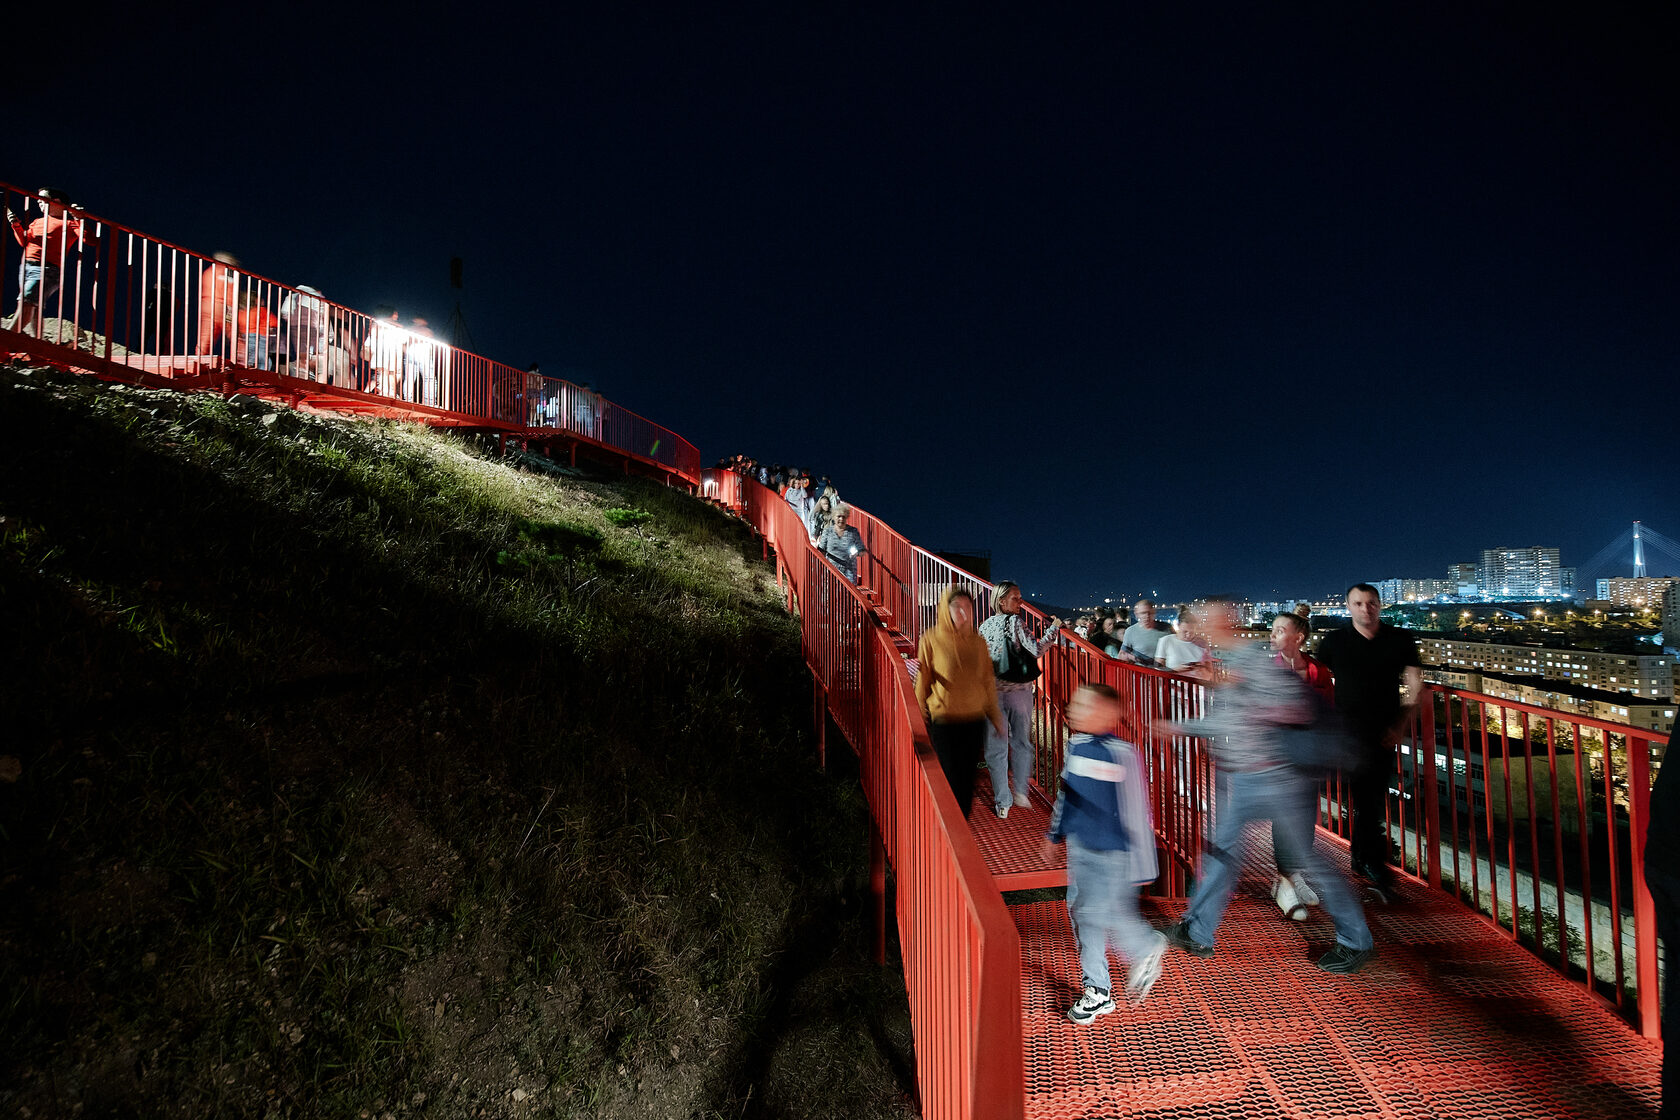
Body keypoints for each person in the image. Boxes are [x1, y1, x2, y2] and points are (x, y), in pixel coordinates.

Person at [1159, 597, 1375, 973]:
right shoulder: (1235, 661)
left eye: (1208, 619)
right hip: (1246, 776)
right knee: (1221, 852)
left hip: (1275, 779)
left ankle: (1356, 941)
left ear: (1225, 621)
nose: (1203, 625)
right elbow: (1238, 719)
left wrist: (1183, 726)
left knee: (1310, 860)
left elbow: (1284, 709)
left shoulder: (1252, 661)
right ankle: (1196, 931)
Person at [1045, 683, 1166, 1022]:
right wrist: (1054, 836)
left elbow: (1136, 811)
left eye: (1086, 706)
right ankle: (1097, 990)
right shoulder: (1076, 746)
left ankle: (1144, 947)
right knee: (1082, 914)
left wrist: (1142, 866)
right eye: (1076, 704)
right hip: (1081, 849)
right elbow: (1067, 795)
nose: (1074, 709)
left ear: (1108, 715)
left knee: (1100, 911)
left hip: (1114, 854)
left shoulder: (1121, 753)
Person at [1313, 583, 1423, 893]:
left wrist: (1401, 724)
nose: (1366, 608)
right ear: (1348, 606)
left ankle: (1362, 858)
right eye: (1358, 603)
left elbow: (1415, 685)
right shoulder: (1334, 641)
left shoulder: (1399, 639)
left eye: (1371, 602)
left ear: (1380, 604)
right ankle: (1373, 864)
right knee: (1367, 796)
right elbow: (1318, 682)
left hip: (1385, 731)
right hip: (1347, 732)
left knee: (1369, 795)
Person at [915, 586, 1006, 820]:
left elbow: (987, 681)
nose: (964, 614)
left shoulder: (977, 642)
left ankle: (961, 825)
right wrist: (918, 717)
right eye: (958, 608)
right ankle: (945, 825)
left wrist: (996, 717)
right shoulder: (931, 639)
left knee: (967, 779)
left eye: (968, 608)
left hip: (974, 721)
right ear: (946, 610)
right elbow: (923, 681)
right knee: (948, 777)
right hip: (945, 721)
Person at [1268, 611, 1335, 920]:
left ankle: (1295, 874)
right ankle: (1284, 881)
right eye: (1272, 630)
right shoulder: (1269, 670)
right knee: (1284, 816)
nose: (1273, 635)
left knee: (1307, 816)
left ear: (1298, 637)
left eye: (1280, 630)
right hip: (1280, 755)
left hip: (1310, 753)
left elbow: (1328, 712)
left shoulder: (1318, 671)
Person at [979, 581, 1060, 819]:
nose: (1021, 603)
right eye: (1016, 598)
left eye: (1021, 598)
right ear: (1002, 601)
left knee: (995, 748)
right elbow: (1036, 649)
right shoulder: (1015, 622)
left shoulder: (984, 626)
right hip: (1019, 693)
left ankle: (1002, 802)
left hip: (992, 693)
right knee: (1022, 741)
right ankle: (1021, 790)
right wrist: (1053, 628)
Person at [6, 188, 81, 338]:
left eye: (42, 199)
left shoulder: (69, 223)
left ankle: (5, 341)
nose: (38, 202)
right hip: (27, 267)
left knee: (27, 303)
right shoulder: (38, 221)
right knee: (34, 307)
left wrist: (79, 218)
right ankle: (38, 346)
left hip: (47, 269)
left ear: (56, 202)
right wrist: (16, 225)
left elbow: (90, 240)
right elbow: (24, 241)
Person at [194, 251, 241, 358]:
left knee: (207, 334)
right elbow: (229, 292)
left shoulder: (209, 271)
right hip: (221, 306)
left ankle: (200, 358)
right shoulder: (226, 273)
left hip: (207, 304)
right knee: (234, 335)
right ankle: (242, 359)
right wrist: (231, 309)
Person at [816, 504, 867, 584]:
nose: (841, 519)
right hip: (831, 570)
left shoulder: (853, 531)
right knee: (831, 594)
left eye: (844, 517)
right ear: (833, 517)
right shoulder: (827, 531)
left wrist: (857, 553)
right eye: (838, 516)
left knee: (848, 595)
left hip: (849, 571)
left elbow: (863, 551)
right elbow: (821, 551)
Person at [1120, 599, 1175, 667]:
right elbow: (1123, 654)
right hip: (1142, 673)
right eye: (1143, 613)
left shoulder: (1167, 628)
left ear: (1154, 612)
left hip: (1165, 673)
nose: (1147, 616)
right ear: (1137, 614)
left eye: (1149, 613)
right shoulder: (1130, 631)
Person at [1155, 605, 1208, 674]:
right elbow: (1157, 670)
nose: (1188, 635)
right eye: (1185, 631)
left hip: (1198, 683)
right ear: (1178, 626)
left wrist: (1202, 670)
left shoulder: (1202, 644)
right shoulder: (1166, 641)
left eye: (1192, 632)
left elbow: (1210, 671)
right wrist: (1176, 670)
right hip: (1174, 683)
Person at [237, 291, 274, 370]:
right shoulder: (261, 311)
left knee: (250, 358)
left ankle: (247, 373)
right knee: (263, 360)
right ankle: (261, 377)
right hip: (260, 337)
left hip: (245, 336)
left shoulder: (241, 313)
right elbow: (273, 323)